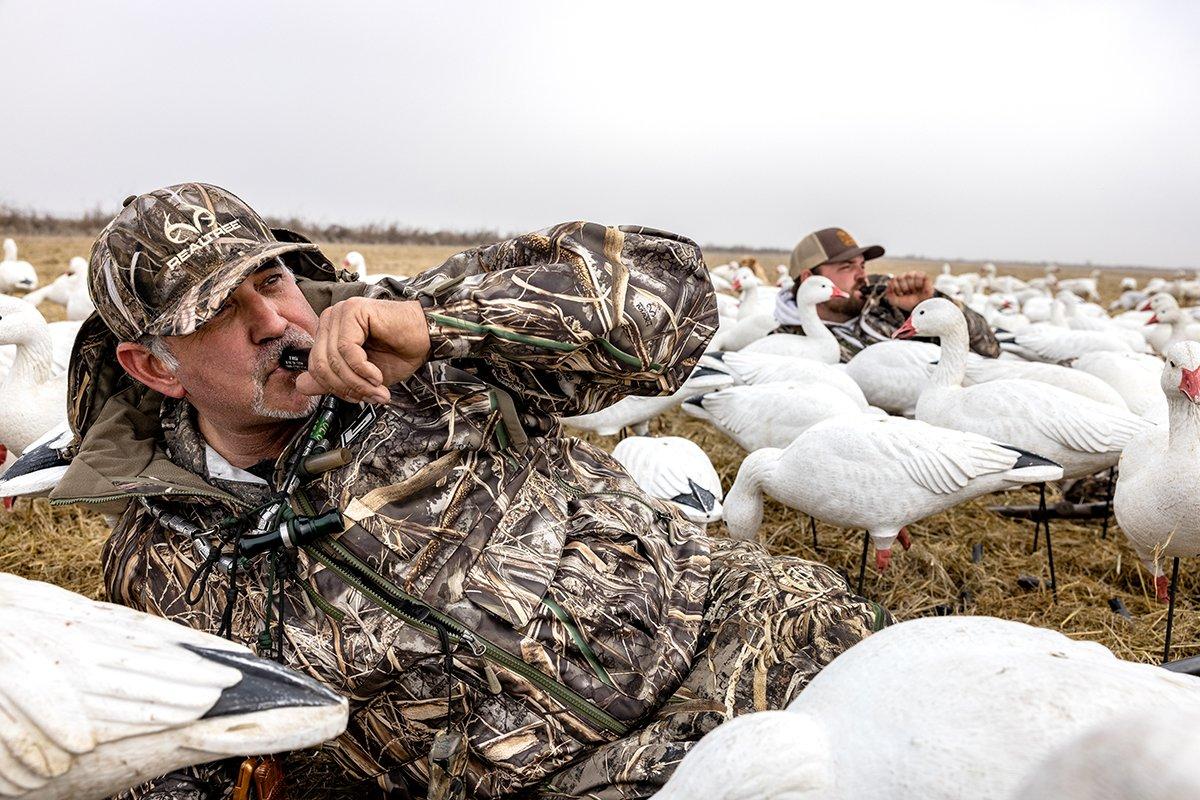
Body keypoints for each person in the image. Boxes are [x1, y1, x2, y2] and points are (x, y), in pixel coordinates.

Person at [52, 183, 888, 800]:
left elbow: (668, 295)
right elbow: (175, 760)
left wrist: (450, 323)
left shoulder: (418, 341)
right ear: (154, 366)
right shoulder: (162, 561)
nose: (274, 322)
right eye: (218, 313)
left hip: (740, 631)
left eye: (271, 282)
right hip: (573, 785)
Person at [774, 227, 1000, 361]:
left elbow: (989, 349)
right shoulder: (786, 345)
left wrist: (931, 302)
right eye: (846, 267)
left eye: (862, 265)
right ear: (808, 279)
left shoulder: (888, 299)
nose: (861, 275)